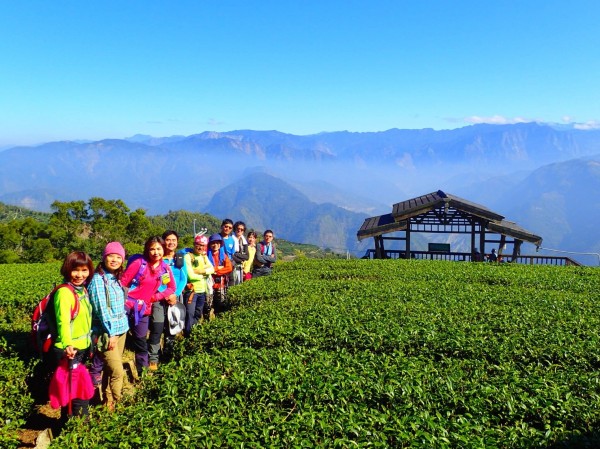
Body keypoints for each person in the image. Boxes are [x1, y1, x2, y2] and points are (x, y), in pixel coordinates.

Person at [48, 251, 95, 421]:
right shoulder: (65, 293)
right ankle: (79, 426)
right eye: (76, 270)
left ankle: (68, 425)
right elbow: (63, 322)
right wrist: (68, 344)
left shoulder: (82, 291)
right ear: (68, 270)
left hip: (81, 347)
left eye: (84, 270)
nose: (80, 275)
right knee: (77, 393)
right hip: (69, 350)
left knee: (73, 390)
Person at [121, 236, 175, 374]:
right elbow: (122, 282)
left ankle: (142, 373)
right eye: (152, 249)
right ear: (147, 250)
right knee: (118, 337)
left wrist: (156, 297)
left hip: (144, 309)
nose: (155, 252)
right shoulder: (139, 263)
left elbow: (171, 288)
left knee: (141, 342)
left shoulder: (165, 269)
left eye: (158, 248)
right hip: (127, 306)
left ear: (163, 249)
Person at [88, 242, 128, 411]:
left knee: (110, 370)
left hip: (121, 330)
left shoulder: (115, 278)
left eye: (118, 257)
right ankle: (121, 404)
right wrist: (110, 333)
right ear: (104, 257)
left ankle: (108, 402)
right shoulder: (98, 280)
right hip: (107, 334)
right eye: (111, 256)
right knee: (118, 371)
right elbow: (102, 310)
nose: (114, 260)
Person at [149, 230, 188, 363]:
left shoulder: (180, 258)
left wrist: (175, 294)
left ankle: (168, 356)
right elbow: (155, 278)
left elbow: (184, 278)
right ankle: (154, 358)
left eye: (174, 240)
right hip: (159, 297)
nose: (171, 242)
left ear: (177, 242)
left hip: (174, 298)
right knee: (157, 328)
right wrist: (166, 294)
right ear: (163, 241)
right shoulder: (158, 258)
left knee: (172, 327)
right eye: (168, 240)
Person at [183, 234, 215, 335]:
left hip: (202, 291)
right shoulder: (188, 257)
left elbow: (212, 269)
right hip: (192, 291)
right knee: (189, 313)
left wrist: (200, 271)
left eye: (203, 245)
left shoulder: (203, 256)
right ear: (194, 244)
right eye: (198, 245)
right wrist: (204, 275)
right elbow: (190, 276)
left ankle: (194, 334)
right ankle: (188, 334)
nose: (200, 247)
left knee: (197, 314)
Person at [207, 233, 233, 315]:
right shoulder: (206, 256)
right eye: (213, 243)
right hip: (208, 283)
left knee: (220, 302)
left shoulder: (223, 256)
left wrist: (215, 271)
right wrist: (219, 268)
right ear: (210, 244)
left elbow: (229, 268)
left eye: (217, 243)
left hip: (220, 284)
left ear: (220, 244)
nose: (215, 245)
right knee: (208, 303)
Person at [231, 221, 249, 285]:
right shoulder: (231, 239)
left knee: (239, 283)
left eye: (242, 229)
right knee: (232, 282)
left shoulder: (244, 242)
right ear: (235, 229)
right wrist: (241, 258)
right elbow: (231, 255)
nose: (239, 230)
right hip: (232, 265)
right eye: (238, 228)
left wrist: (236, 254)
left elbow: (247, 257)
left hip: (240, 266)